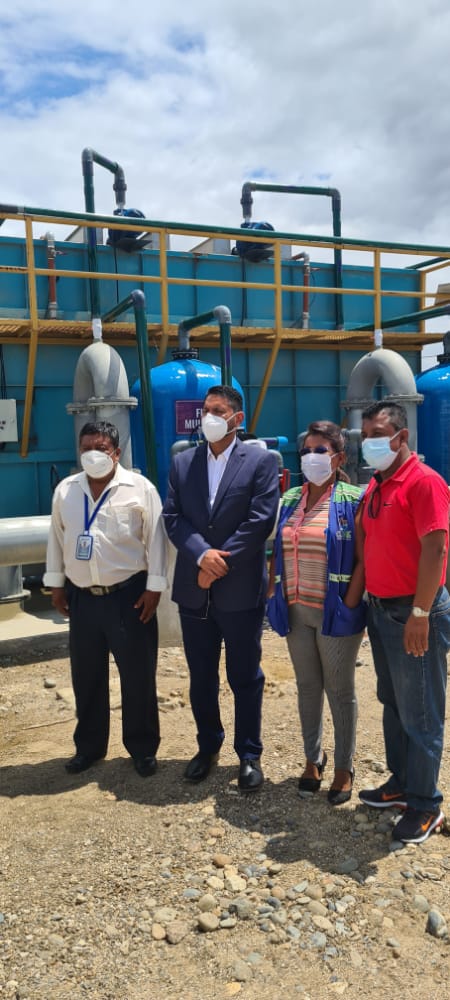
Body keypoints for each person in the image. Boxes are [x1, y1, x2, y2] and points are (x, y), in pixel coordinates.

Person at [162, 385, 279, 792]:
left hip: (239, 589)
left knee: (244, 675)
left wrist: (218, 563)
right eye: (205, 410)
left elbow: (260, 520)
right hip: (195, 588)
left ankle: (249, 754)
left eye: (217, 410)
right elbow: (173, 517)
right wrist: (201, 556)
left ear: (237, 419)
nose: (208, 417)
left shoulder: (260, 462)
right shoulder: (183, 463)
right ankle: (207, 746)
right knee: (201, 676)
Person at [43, 420, 168, 777]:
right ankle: (89, 747)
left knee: (138, 676)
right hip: (82, 598)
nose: (92, 455)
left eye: (100, 448)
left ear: (116, 452)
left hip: (128, 596)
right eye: (86, 448)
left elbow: (156, 540)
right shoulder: (66, 491)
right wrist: (56, 585)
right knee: (87, 676)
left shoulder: (140, 488)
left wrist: (154, 588)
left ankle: (142, 749)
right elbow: (56, 539)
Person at [357, 401, 450, 844]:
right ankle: (402, 783)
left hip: (412, 612)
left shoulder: (423, 482)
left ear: (401, 436)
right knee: (393, 703)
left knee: (422, 713)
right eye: (364, 435)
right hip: (382, 612)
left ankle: (425, 804)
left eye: (377, 434)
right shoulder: (377, 484)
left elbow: (436, 549)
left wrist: (420, 613)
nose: (369, 442)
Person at [269, 421, 366, 805]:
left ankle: (344, 766)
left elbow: (363, 558)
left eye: (320, 451)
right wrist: (273, 591)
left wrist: (351, 603)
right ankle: (313, 758)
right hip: (297, 610)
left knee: (340, 690)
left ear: (338, 458)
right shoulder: (290, 498)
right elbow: (276, 550)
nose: (311, 457)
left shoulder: (353, 499)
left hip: (334, 613)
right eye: (306, 451)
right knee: (308, 687)